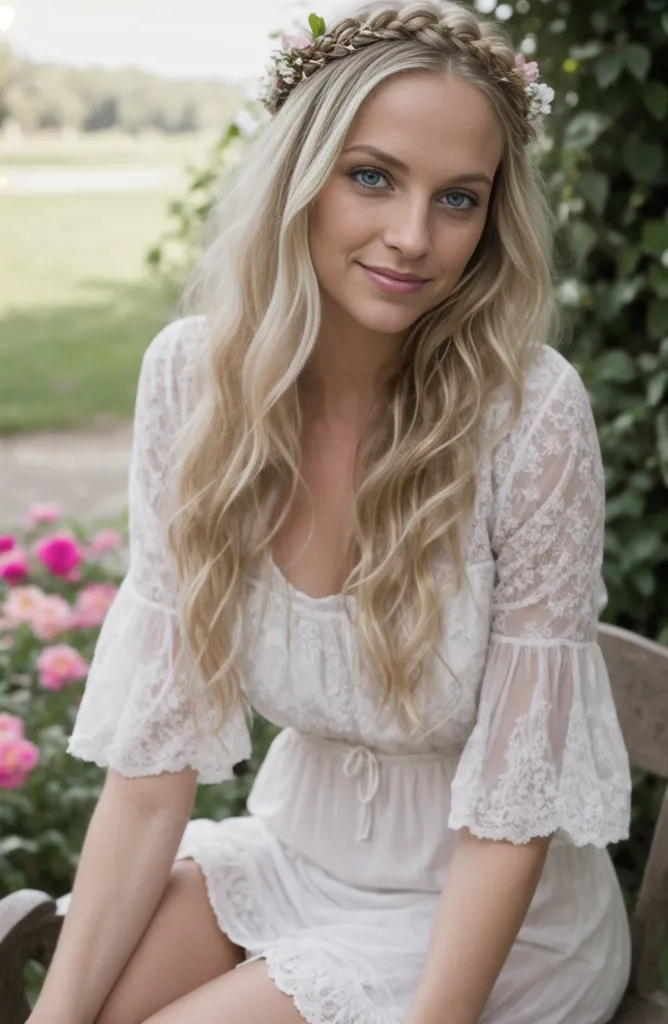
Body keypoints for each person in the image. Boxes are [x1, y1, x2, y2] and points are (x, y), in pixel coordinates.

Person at [28, 2, 633, 1022]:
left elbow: (512, 810)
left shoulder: (526, 414)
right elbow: (149, 778)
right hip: (291, 855)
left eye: (457, 198)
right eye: (371, 177)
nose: (411, 236)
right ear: (299, 174)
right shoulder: (192, 381)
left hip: (489, 914)